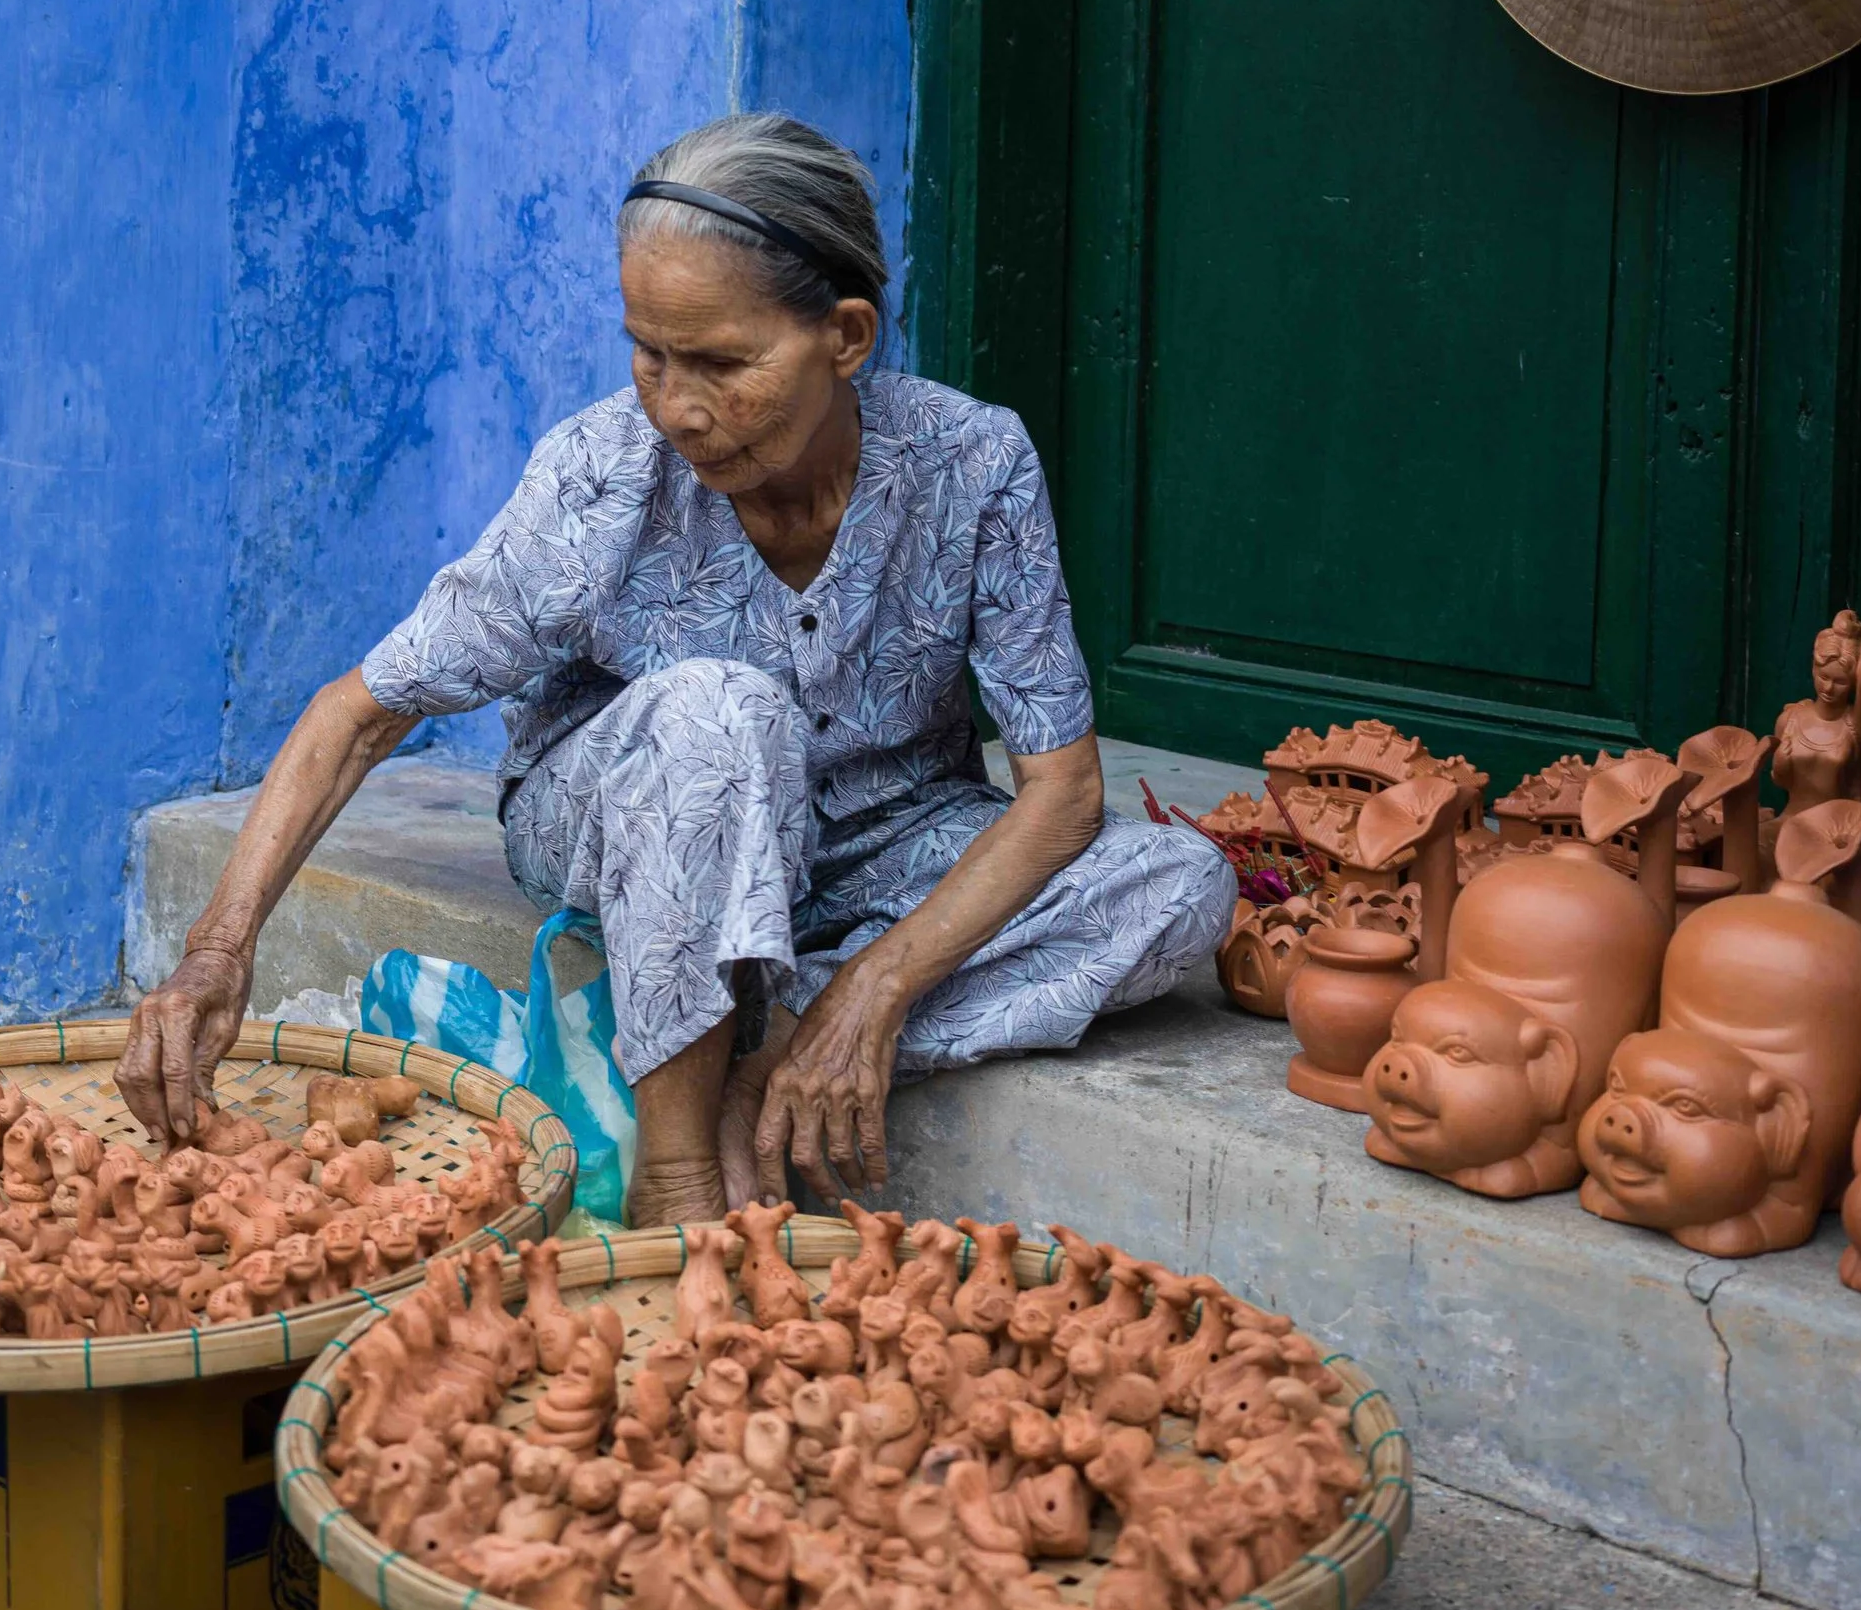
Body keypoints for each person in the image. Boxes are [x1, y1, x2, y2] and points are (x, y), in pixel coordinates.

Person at [115, 113, 1233, 1218]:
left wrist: (868, 994)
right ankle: (679, 1173)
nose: (678, 406)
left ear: (846, 336)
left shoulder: (972, 464)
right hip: (626, 810)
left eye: (720, 363)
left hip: (885, 845)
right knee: (718, 710)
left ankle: (779, 1035)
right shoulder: (602, 476)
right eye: (648, 354)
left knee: (1184, 887)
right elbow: (364, 710)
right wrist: (218, 947)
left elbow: (1062, 792)